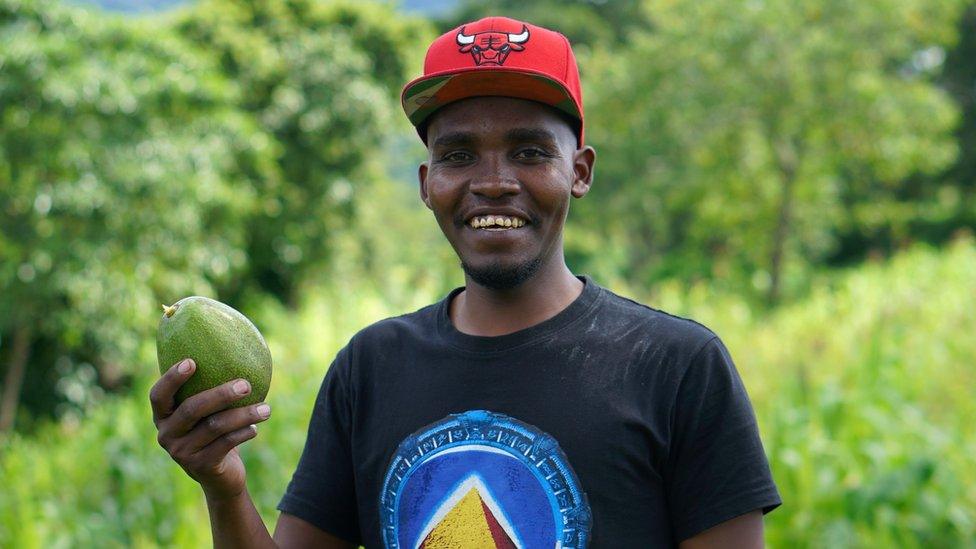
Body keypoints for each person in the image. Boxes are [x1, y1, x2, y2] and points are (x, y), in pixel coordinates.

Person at [150, 16, 780, 548]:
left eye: (530, 151)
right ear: (427, 184)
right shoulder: (369, 368)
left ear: (579, 172)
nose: (494, 181)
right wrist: (223, 482)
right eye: (458, 156)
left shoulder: (678, 368)